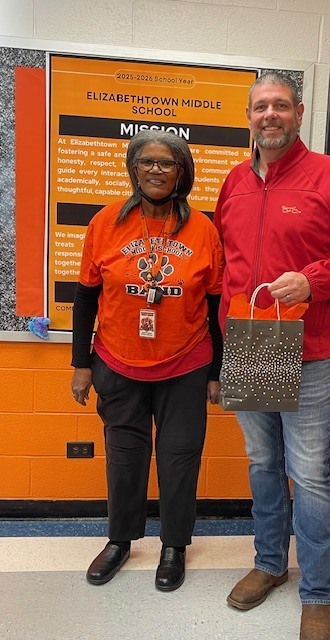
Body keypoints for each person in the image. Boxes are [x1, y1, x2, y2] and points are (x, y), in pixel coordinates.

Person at [214, 71, 330, 640]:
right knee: (262, 466)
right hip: (251, 344)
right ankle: (268, 564)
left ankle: (317, 592)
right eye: (261, 106)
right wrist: (221, 350)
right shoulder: (233, 182)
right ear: (249, 116)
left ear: (299, 112)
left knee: (307, 476)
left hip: (304, 351)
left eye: (280, 105)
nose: (270, 115)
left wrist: (311, 281)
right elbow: (225, 269)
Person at [70, 130, 224, 591]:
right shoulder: (105, 223)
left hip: (186, 364)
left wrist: (217, 372)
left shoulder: (203, 229)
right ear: (133, 168)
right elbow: (84, 297)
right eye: (147, 162)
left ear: (183, 172)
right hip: (117, 361)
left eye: (167, 163)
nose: (156, 170)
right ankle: (119, 540)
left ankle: (174, 545)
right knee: (124, 457)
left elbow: (216, 306)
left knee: (179, 458)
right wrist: (81, 363)